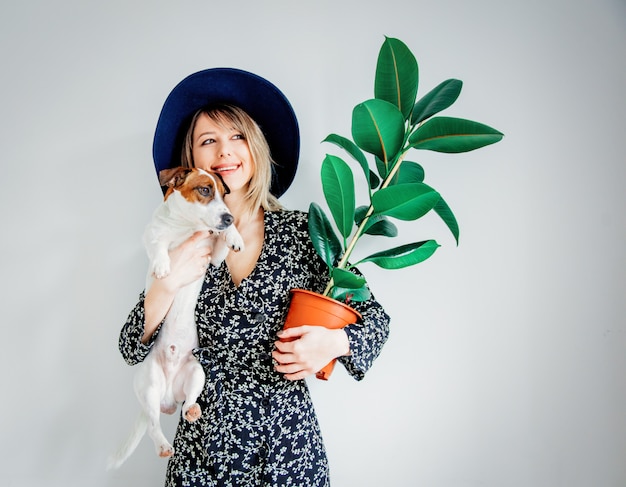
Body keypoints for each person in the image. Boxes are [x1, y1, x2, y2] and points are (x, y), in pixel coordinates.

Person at [119, 68, 390, 486]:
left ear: (256, 148)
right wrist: (165, 285)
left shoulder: (304, 233)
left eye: (237, 136)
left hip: (286, 453)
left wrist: (333, 343)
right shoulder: (179, 242)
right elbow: (130, 349)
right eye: (208, 141)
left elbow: (375, 319)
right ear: (192, 162)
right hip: (202, 457)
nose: (224, 151)